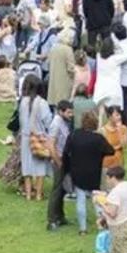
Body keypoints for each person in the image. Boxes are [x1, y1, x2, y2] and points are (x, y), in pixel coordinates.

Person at [63, 112, 114, 235]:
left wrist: (67, 167)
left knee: (80, 200)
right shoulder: (98, 139)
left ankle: (83, 229)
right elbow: (110, 151)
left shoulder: (74, 135)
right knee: (97, 200)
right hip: (94, 173)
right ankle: (102, 226)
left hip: (77, 172)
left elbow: (66, 152)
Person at [18, 75, 52, 201]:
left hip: (26, 137)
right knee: (40, 166)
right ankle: (38, 194)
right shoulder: (42, 103)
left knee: (26, 167)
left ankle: (27, 194)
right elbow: (48, 121)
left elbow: (21, 120)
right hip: (39, 137)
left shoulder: (22, 102)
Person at [46, 99, 75, 231]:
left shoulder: (64, 122)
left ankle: (60, 216)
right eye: (68, 112)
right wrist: (58, 162)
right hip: (58, 160)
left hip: (64, 159)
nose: (71, 115)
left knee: (62, 190)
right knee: (56, 191)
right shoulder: (56, 124)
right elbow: (51, 145)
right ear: (60, 111)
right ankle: (51, 219)